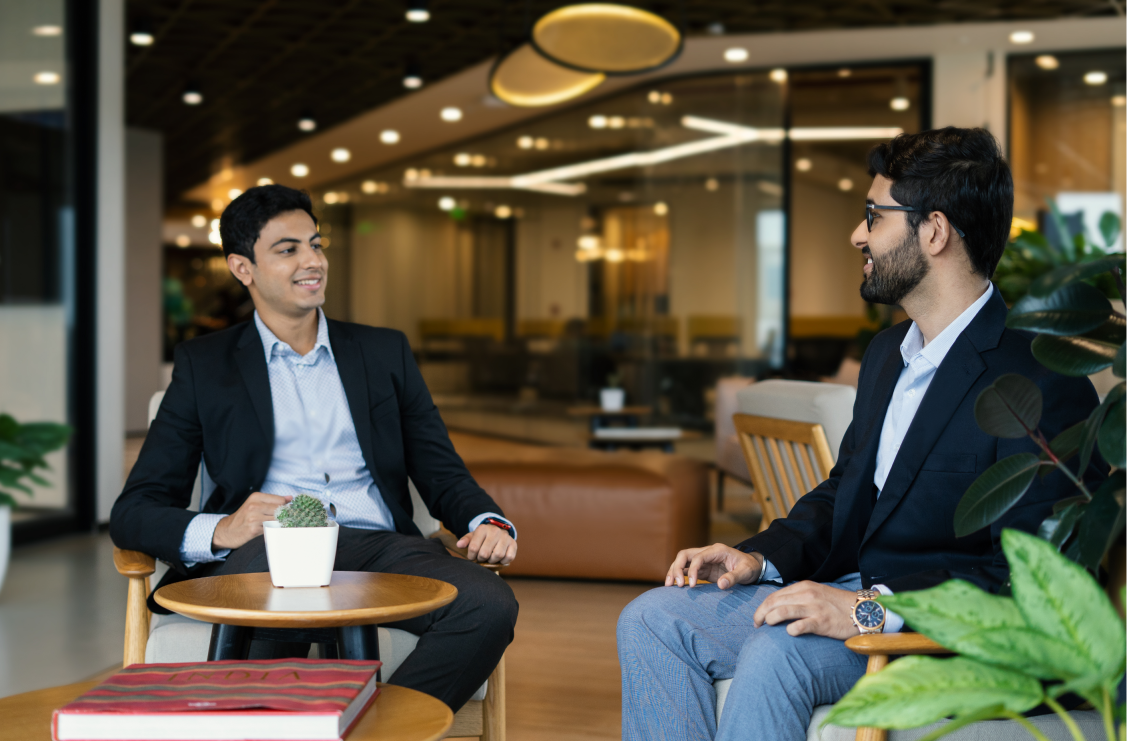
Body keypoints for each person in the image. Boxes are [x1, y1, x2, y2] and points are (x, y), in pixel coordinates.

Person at [616, 127, 1105, 740]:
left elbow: (1033, 582)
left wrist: (867, 609)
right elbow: (845, 490)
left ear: (934, 231)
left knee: (778, 653)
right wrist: (760, 558)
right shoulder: (886, 356)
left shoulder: (1040, 377)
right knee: (652, 620)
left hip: (941, 635)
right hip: (854, 592)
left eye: (874, 216)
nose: (857, 234)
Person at [111, 185, 517, 712]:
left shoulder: (382, 351)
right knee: (279, 600)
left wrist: (486, 520)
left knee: (488, 604)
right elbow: (134, 511)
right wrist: (222, 529)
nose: (313, 261)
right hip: (264, 551)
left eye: (316, 244)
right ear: (242, 267)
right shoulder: (206, 365)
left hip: (379, 548)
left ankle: (375, 730)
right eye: (288, 249)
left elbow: (440, 469)